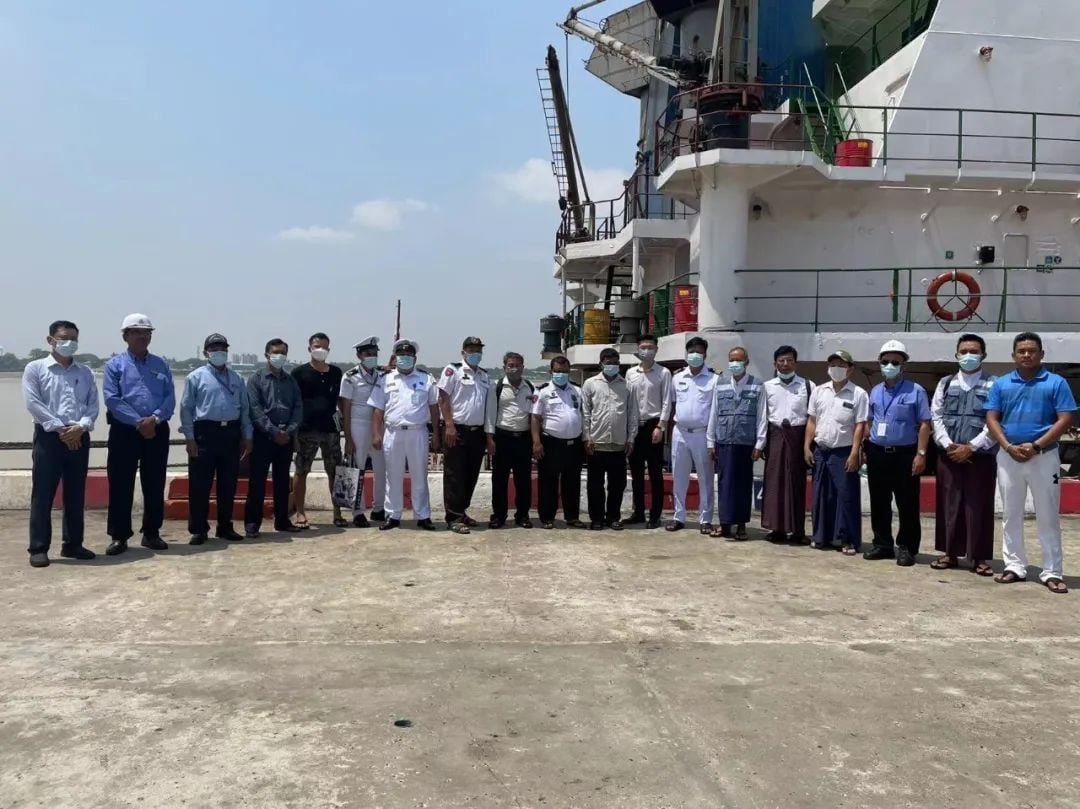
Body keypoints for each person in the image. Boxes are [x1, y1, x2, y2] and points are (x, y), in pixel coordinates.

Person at [986, 332, 1077, 593]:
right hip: (1009, 456)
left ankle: (1052, 571)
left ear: (1041, 354)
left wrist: (1036, 445)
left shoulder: (1056, 382)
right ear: (1013, 355)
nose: (1027, 355)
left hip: (1044, 457)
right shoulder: (1002, 384)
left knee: (1048, 514)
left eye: (1032, 350)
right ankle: (1014, 565)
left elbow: (1065, 418)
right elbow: (991, 418)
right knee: (1010, 513)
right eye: (1022, 351)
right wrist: (1007, 446)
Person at [22, 320, 99, 568]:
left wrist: (81, 427)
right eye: (64, 338)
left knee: (75, 493)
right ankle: (38, 547)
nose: (69, 343)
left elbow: (92, 404)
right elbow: (33, 403)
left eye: (74, 339)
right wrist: (59, 428)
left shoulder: (85, 372)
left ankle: (73, 544)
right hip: (49, 437)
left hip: (78, 436)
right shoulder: (35, 368)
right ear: (51, 340)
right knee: (43, 493)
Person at [102, 313, 174, 555]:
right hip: (125, 431)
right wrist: (138, 421)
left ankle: (151, 532)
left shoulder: (161, 364)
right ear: (125, 336)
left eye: (146, 333)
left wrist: (154, 419)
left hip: (157, 429)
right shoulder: (115, 365)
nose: (142, 336)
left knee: (155, 482)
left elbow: (169, 397)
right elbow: (112, 399)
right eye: (136, 332)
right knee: (120, 483)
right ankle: (119, 536)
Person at [930, 334, 997, 576]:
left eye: (974, 351)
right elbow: (936, 415)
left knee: (979, 505)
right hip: (948, 454)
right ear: (957, 355)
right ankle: (949, 552)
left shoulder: (994, 384)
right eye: (964, 351)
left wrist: (972, 446)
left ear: (983, 355)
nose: (969, 355)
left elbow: (996, 421)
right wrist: (948, 444)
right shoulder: (946, 383)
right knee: (948, 504)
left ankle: (978, 557)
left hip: (980, 456)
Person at [863, 340, 931, 566]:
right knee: (879, 501)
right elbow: (870, 421)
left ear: (904, 365)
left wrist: (921, 454)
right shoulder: (875, 391)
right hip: (878, 453)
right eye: (885, 362)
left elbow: (924, 424)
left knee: (907, 503)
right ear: (879, 363)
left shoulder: (916, 390)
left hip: (905, 454)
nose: (889, 365)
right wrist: (866, 447)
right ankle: (882, 544)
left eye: (895, 362)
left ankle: (907, 547)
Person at [179, 334, 252, 545]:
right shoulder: (195, 377)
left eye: (223, 348)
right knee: (199, 484)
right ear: (206, 353)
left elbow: (245, 410)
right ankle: (198, 529)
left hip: (231, 433)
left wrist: (248, 437)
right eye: (214, 348)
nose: (219, 352)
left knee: (228, 483)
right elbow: (186, 409)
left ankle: (225, 526)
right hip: (205, 433)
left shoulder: (237, 378)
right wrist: (190, 438)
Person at [368, 339, 440, 531]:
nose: (405, 358)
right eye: (401, 355)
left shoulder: (426, 378)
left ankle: (423, 515)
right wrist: (376, 433)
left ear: (415, 358)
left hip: (418, 432)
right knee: (392, 476)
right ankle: (393, 515)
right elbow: (377, 410)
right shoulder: (385, 379)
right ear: (395, 357)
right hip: (393, 433)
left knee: (420, 476)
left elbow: (434, 408)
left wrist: (436, 434)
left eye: (409, 355)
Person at [804, 350, 868, 555]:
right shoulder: (819, 391)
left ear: (850, 369)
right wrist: (807, 446)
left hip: (844, 452)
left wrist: (855, 452)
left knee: (846, 497)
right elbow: (812, 420)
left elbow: (860, 425)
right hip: (821, 450)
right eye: (833, 364)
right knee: (821, 495)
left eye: (841, 365)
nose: (837, 369)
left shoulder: (858, 394)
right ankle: (821, 536)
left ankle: (846, 539)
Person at [244, 338, 303, 538]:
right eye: (276, 352)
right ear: (267, 354)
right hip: (263, 437)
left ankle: (282, 520)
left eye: (283, 353)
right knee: (257, 482)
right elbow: (255, 409)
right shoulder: (256, 379)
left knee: (282, 482)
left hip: (286, 437)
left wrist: (288, 431)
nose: (280, 356)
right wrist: (273, 431)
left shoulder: (291, 381)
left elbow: (298, 408)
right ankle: (253, 523)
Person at [708, 346, 766, 540]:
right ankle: (725, 524)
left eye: (739, 360)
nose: (735, 363)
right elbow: (714, 413)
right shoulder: (721, 384)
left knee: (742, 484)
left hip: (745, 442)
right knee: (724, 484)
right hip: (724, 441)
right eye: (732, 360)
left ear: (746, 362)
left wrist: (759, 444)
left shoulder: (757, 385)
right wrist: (710, 442)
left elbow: (762, 416)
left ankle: (741, 525)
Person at [291, 333, 345, 528]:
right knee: (301, 470)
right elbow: (293, 402)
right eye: (316, 346)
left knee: (335, 472)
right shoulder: (298, 373)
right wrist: (294, 433)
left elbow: (341, 401)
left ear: (328, 349)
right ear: (309, 348)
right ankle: (300, 512)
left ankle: (337, 512)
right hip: (306, 430)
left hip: (331, 430)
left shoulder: (336, 373)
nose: (320, 350)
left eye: (323, 347)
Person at [761, 345, 813, 544]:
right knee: (774, 483)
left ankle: (798, 530)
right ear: (774, 364)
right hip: (775, 436)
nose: (785, 364)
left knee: (796, 483)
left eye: (789, 360)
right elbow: (763, 416)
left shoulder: (808, 385)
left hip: (798, 437)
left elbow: (812, 417)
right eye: (781, 361)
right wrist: (761, 443)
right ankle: (777, 529)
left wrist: (809, 444)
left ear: (795, 363)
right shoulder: (767, 386)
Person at [438, 336, 491, 534]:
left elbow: (487, 407)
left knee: (471, 475)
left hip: (477, 432)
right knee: (455, 475)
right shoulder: (453, 370)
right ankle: (454, 517)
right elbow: (443, 398)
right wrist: (449, 425)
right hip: (457, 430)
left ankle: (462, 511)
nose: (475, 353)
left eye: (478, 350)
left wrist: (488, 435)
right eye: (471, 350)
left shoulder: (484, 376)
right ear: (463, 352)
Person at [582, 347, 638, 530]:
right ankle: (597, 518)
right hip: (596, 443)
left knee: (617, 485)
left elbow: (633, 414)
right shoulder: (590, 384)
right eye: (608, 363)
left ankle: (613, 517)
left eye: (615, 363)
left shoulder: (627, 385)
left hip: (619, 444)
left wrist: (631, 439)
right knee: (595, 485)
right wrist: (587, 437)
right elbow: (585, 413)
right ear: (601, 363)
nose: (612, 366)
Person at [667, 337, 718, 534]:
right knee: (679, 477)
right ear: (686, 354)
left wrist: (712, 440)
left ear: (705, 354)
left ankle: (705, 519)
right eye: (691, 352)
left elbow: (714, 412)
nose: (695, 355)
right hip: (680, 432)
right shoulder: (677, 378)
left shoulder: (714, 379)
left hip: (702, 434)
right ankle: (678, 517)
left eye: (699, 351)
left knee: (705, 478)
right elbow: (672, 405)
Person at [531, 356, 586, 530]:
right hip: (551, 443)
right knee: (548, 482)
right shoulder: (542, 391)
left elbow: (583, 415)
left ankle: (572, 517)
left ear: (569, 372)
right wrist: (536, 442)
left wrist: (586, 439)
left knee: (572, 482)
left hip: (574, 444)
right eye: (557, 371)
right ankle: (547, 517)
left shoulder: (577, 390)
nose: (561, 374)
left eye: (564, 371)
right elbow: (535, 418)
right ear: (551, 372)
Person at [625, 334, 672, 529]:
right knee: (636, 473)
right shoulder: (630, 373)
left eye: (650, 347)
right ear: (638, 349)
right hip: (634, 426)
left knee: (655, 473)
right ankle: (638, 512)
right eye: (643, 347)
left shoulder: (664, 373)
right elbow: (627, 401)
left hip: (654, 425)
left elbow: (667, 402)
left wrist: (661, 426)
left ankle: (655, 514)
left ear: (656, 350)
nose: (646, 350)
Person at [340, 336, 387, 527]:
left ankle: (379, 508)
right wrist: (348, 437)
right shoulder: (350, 376)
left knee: (381, 468)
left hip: (378, 424)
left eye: (374, 353)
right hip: (357, 424)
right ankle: (358, 511)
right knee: (357, 468)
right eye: (368, 353)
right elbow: (345, 409)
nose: (372, 356)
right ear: (359, 355)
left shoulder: (382, 375)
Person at [485, 351, 535, 529]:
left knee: (523, 481)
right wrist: (490, 439)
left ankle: (522, 515)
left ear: (523, 367)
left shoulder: (529, 387)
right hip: (503, 438)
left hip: (523, 439)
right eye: (510, 365)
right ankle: (499, 515)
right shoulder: (497, 387)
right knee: (499, 480)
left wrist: (535, 440)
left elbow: (533, 414)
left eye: (517, 366)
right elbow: (490, 413)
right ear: (504, 367)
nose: (514, 369)